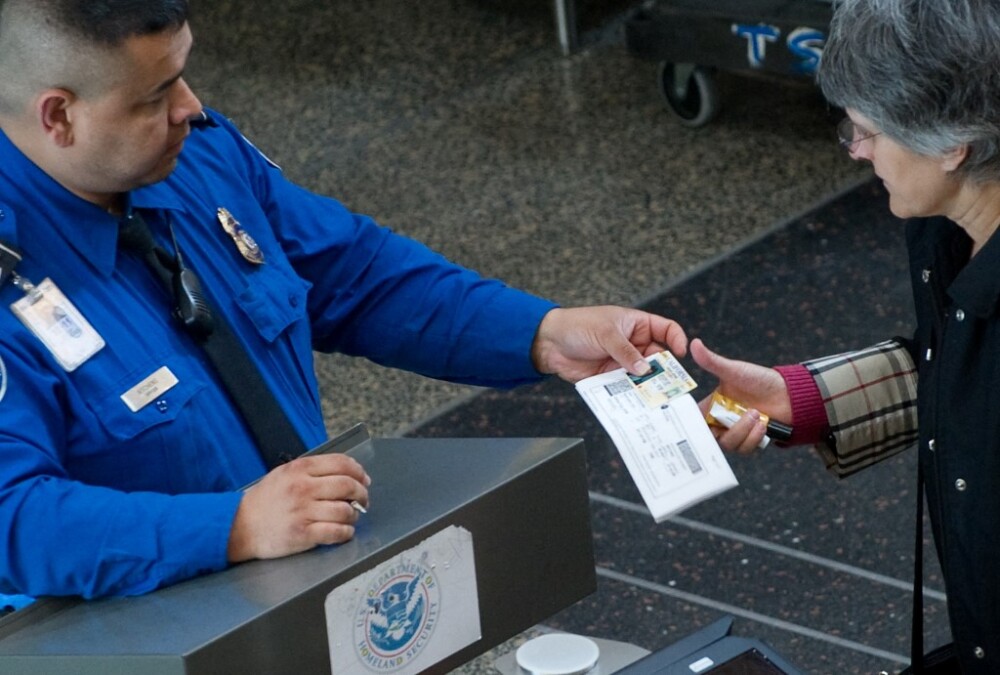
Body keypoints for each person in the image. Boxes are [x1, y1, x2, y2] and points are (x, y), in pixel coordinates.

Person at [0, 0, 689, 602]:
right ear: (59, 115)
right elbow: (12, 514)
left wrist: (540, 331)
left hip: (302, 592)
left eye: (181, 73)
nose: (191, 107)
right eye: (153, 97)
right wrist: (234, 526)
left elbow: (352, 275)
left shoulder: (194, 156)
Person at [690, 0, 1000, 672]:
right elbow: (961, 365)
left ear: (954, 142)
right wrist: (800, 399)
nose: (856, 151)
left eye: (867, 131)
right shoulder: (947, 230)